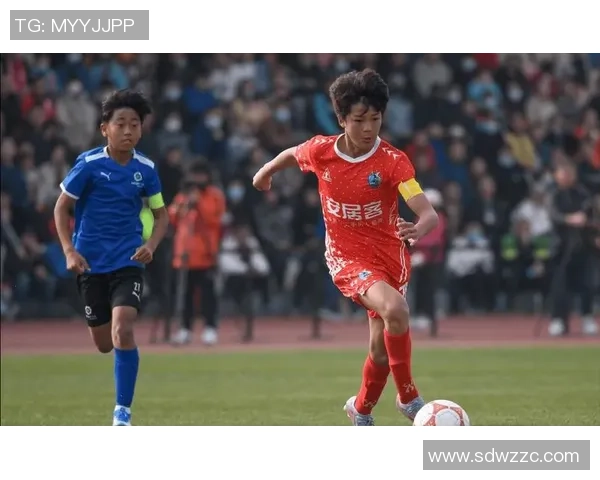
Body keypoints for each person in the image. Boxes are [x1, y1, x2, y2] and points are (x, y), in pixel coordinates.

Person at [252, 68, 439, 426]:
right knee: (396, 309)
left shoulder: (393, 161)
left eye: (375, 119)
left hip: (390, 258)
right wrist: (265, 172)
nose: (369, 128)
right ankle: (409, 398)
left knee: (380, 352)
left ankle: (361, 410)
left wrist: (418, 228)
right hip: (347, 257)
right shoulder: (321, 151)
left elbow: (427, 211)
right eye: (359, 120)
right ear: (341, 119)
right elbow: (291, 154)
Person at [53, 89, 169, 426]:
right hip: (90, 264)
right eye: (121, 124)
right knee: (105, 343)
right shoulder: (88, 165)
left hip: (128, 260)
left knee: (124, 329)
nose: (128, 130)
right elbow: (61, 208)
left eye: (135, 124)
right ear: (105, 128)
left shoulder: (146, 169)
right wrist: (69, 250)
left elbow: (161, 215)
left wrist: (151, 245)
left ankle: (122, 412)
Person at [168, 161, 225, 346]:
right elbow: (173, 218)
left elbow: (214, 220)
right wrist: (185, 203)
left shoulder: (214, 196)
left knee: (208, 294)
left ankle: (210, 328)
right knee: (185, 294)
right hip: (185, 254)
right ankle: (185, 329)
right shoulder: (183, 196)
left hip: (206, 253)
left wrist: (198, 204)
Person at [547, 161, 598, 336]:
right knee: (561, 287)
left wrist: (591, 230)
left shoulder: (582, 194)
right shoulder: (553, 194)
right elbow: (554, 215)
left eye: (569, 172)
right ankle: (558, 320)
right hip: (561, 247)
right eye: (563, 172)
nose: (566, 176)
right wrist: (569, 219)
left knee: (587, 285)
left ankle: (587, 317)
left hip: (583, 245)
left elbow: (591, 215)